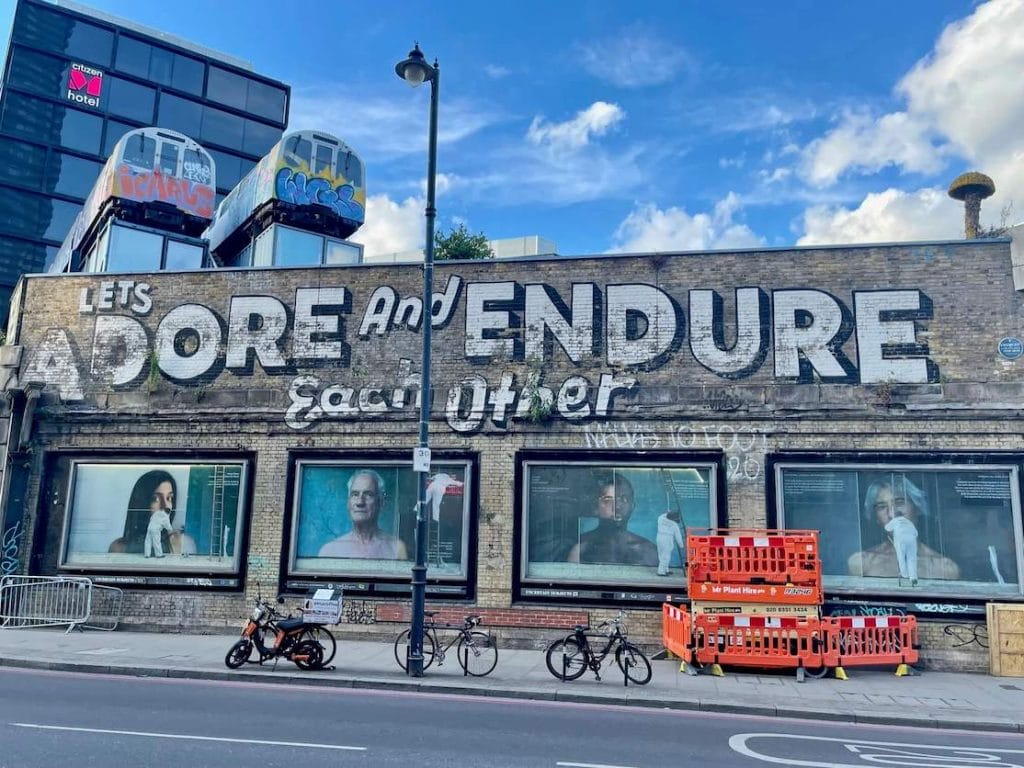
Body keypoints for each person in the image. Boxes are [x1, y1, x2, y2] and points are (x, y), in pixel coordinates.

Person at [847, 475, 960, 582]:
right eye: (881, 507)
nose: (892, 514)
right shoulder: (861, 563)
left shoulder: (946, 569)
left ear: (918, 507)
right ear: (876, 518)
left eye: (900, 502)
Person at [566, 473, 658, 567]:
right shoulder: (580, 548)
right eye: (607, 500)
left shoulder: (646, 550)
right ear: (595, 507)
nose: (617, 506)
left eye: (624, 499)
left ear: (632, 506)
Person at [317, 470, 408, 559]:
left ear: (381, 502)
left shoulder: (396, 549)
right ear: (348, 503)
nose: (360, 502)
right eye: (355, 494)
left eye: (368, 494)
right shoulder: (329, 551)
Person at [108, 470, 197, 556]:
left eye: (169, 498)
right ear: (142, 502)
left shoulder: (183, 543)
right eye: (155, 499)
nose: (164, 506)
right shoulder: (119, 547)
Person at [656, 510, 685, 576]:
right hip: (667, 539)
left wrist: (667, 512)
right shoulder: (674, 525)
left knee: (661, 554)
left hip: (659, 537)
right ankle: (661, 571)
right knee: (666, 556)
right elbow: (678, 536)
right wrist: (681, 545)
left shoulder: (661, 519)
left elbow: (662, 515)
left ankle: (666, 569)